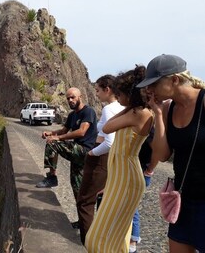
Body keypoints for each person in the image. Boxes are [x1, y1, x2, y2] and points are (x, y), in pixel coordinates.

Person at [136, 54, 205, 253]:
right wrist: (157, 113)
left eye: (154, 84)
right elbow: (162, 155)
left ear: (174, 80)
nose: (149, 90)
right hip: (183, 200)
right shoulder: (167, 108)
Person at [85, 65, 154, 253]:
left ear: (130, 95)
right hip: (122, 176)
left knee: (96, 240)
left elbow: (107, 128)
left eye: (121, 93)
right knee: (115, 238)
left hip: (127, 178)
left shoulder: (139, 113)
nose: (118, 97)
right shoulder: (135, 111)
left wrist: (129, 105)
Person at [76, 74, 124, 245]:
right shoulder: (121, 107)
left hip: (100, 158)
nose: (95, 94)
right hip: (110, 159)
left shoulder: (108, 109)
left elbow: (109, 142)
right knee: (101, 201)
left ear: (107, 89)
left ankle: (88, 242)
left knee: (84, 201)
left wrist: (92, 153)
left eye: (97, 90)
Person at [36, 87, 98, 216]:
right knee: (77, 187)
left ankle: (52, 177)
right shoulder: (72, 115)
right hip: (76, 152)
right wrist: (51, 132)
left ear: (80, 97)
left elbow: (81, 132)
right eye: (68, 98)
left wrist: (56, 138)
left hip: (85, 151)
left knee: (53, 143)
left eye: (73, 97)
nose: (70, 100)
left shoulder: (88, 112)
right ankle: (83, 221)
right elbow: (64, 131)